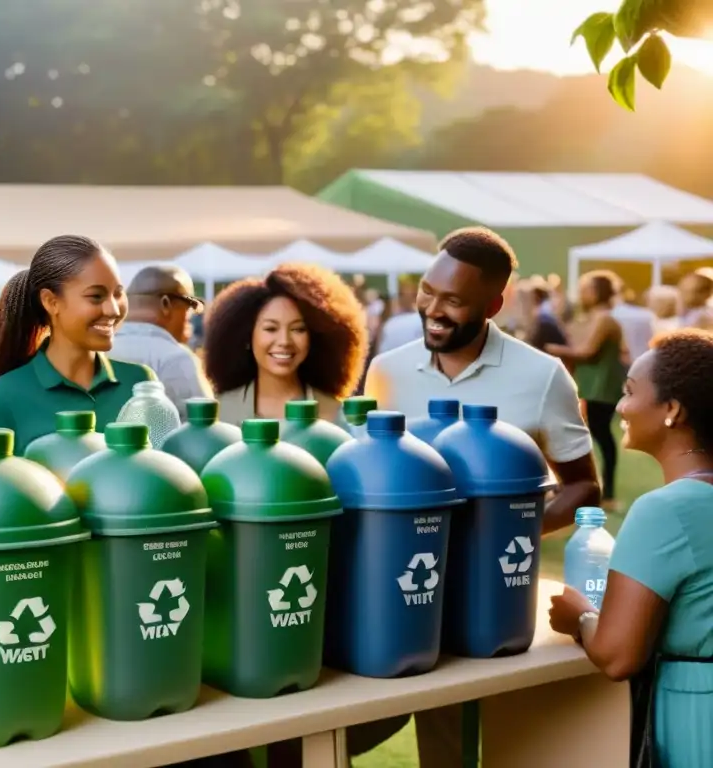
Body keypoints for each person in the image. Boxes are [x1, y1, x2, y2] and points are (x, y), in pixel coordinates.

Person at [360, 227, 601, 768]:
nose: (433, 310)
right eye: (428, 292)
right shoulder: (386, 371)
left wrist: (506, 532)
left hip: (494, 598)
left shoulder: (541, 376)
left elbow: (585, 486)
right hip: (403, 590)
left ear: (493, 305)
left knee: (498, 743)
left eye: (454, 301)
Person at [549, 329, 713, 768]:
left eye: (629, 392)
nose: (620, 406)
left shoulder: (665, 510)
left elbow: (618, 654)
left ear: (672, 410)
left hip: (698, 713)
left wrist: (579, 617)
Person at [0, 235, 154, 453]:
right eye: (96, 296)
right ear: (51, 301)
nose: (113, 310)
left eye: (118, 294)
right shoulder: (2, 397)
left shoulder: (140, 384)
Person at [202, 262, 367, 427]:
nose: (284, 341)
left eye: (298, 329)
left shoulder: (335, 415)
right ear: (246, 336)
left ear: (314, 337)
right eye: (271, 329)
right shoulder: (218, 415)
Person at [546, 271, 626, 508]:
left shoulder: (605, 319)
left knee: (601, 437)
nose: (581, 294)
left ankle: (607, 493)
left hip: (603, 388)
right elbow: (570, 337)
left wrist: (549, 348)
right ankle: (589, 488)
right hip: (589, 387)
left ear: (599, 292)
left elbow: (586, 351)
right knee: (590, 437)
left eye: (586, 289)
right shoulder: (589, 317)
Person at [108, 265, 212, 419]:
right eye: (188, 307)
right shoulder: (176, 358)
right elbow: (205, 426)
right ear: (165, 304)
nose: (189, 319)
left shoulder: (95, 351)